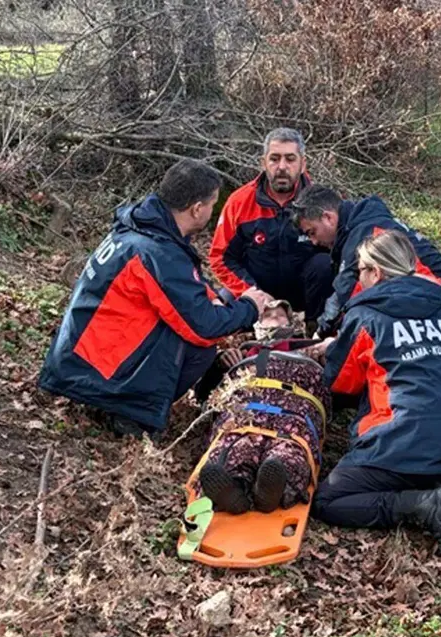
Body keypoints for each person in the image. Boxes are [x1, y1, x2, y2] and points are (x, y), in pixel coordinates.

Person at [37, 159, 274, 436]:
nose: (211, 212)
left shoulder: (141, 227)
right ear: (197, 209)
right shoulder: (158, 252)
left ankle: (121, 401)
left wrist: (212, 298)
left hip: (76, 357)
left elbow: (180, 285)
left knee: (187, 326)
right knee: (200, 347)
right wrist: (250, 306)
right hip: (90, 368)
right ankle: (132, 413)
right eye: (211, 205)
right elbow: (205, 326)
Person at [311, 229, 441, 555]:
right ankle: (427, 484)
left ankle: (423, 505)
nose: (359, 280)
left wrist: (336, 350)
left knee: (329, 501)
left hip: (402, 441)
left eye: (361, 271)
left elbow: (340, 382)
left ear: (377, 272)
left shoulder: (366, 314)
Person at [193, 308, 330, 514]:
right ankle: (233, 490)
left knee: (287, 450)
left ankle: (271, 489)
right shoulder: (241, 353)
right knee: (232, 447)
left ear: (292, 325)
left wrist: (330, 350)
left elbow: (343, 373)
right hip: (244, 411)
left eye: (280, 315)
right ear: (257, 326)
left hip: (292, 410)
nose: (274, 318)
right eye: (268, 316)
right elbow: (203, 394)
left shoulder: (312, 349)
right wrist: (218, 364)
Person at [291, 184, 441, 337]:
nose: (313, 241)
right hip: (431, 302)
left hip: (438, 309)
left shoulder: (364, 234)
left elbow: (348, 295)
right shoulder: (362, 223)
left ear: (328, 217)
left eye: (312, 232)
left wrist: (321, 334)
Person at [209, 128, 335, 323]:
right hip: (254, 292)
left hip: (307, 294)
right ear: (263, 163)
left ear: (303, 164)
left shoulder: (321, 202)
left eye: (290, 159)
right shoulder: (239, 202)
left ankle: (316, 332)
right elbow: (220, 257)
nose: (282, 166)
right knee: (218, 303)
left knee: (324, 265)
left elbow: (341, 252)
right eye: (274, 159)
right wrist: (252, 292)